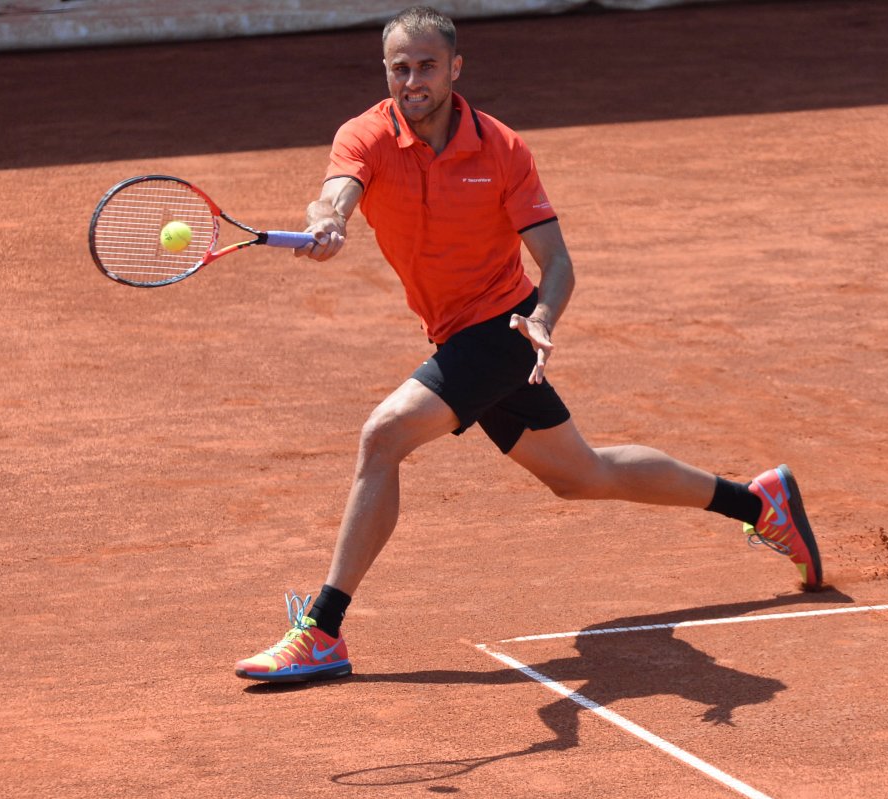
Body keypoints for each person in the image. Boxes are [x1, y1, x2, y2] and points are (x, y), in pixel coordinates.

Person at [234, 5, 822, 683]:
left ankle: (324, 629)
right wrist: (329, 222)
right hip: (456, 332)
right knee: (583, 474)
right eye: (400, 67)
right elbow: (335, 194)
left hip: (507, 328)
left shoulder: (502, 149)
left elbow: (559, 263)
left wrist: (543, 317)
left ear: (456, 68)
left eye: (427, 65)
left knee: (383, 435)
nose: (412, 79)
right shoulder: (365, 136)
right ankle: (758, 503)